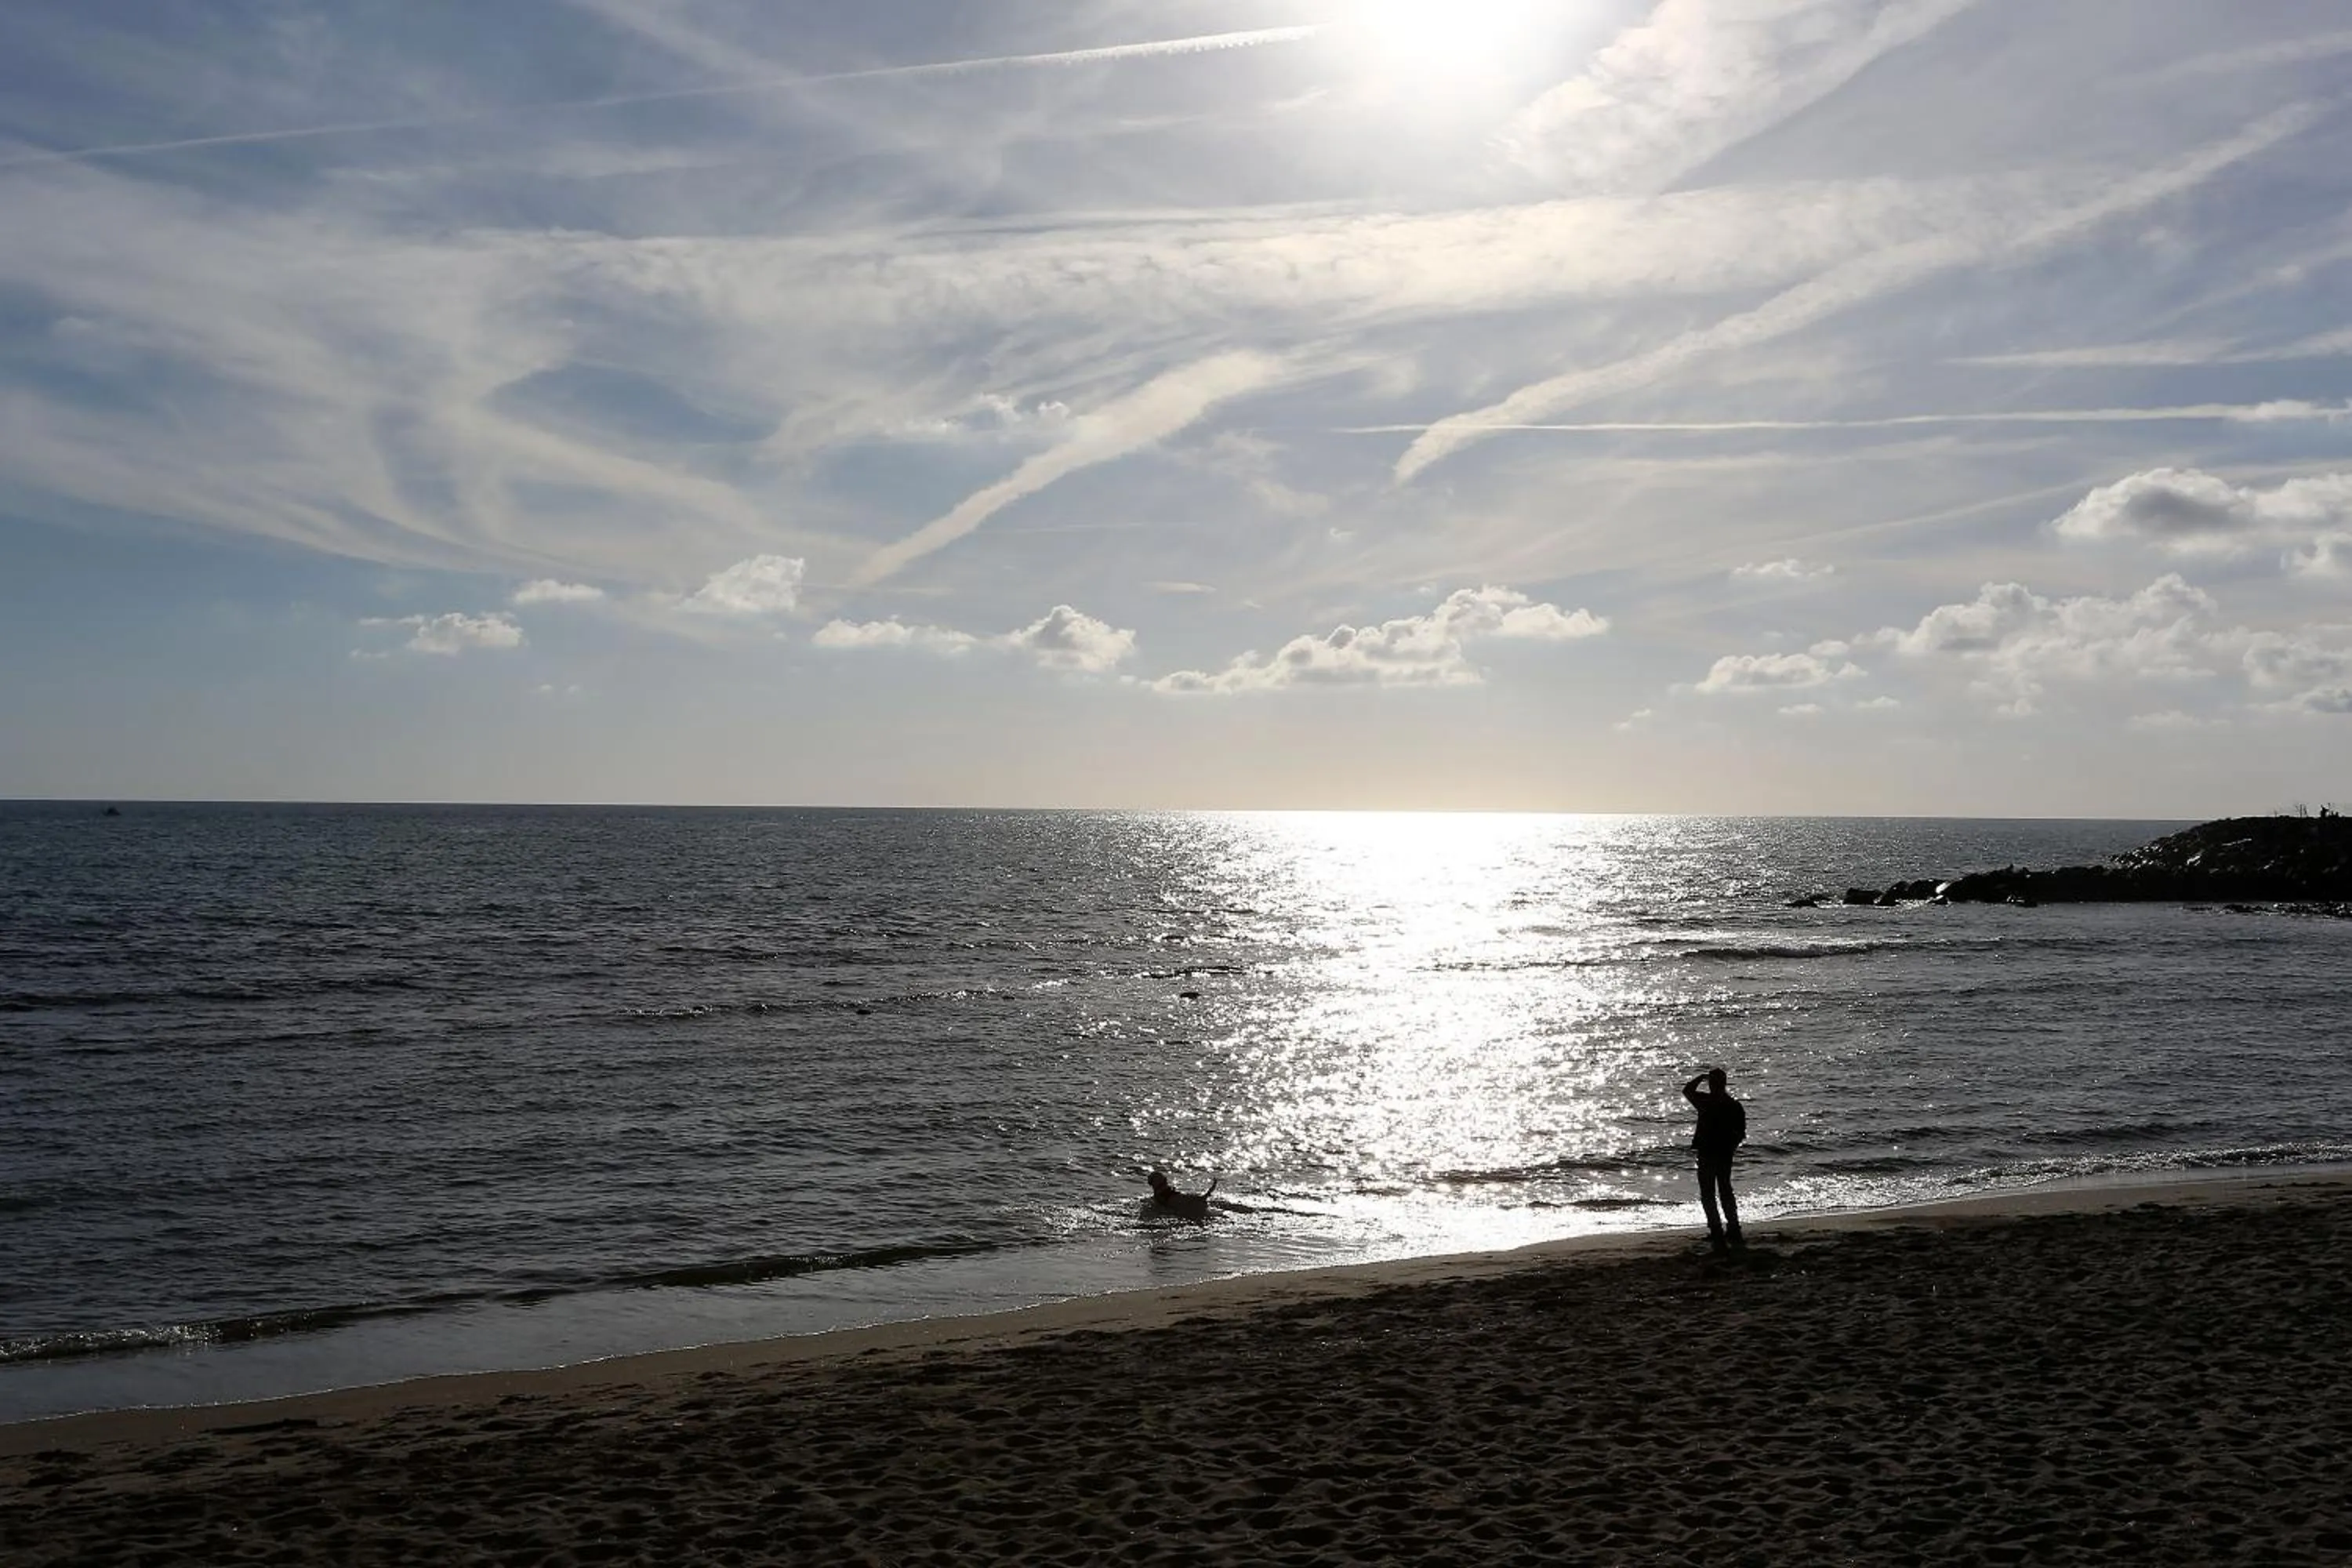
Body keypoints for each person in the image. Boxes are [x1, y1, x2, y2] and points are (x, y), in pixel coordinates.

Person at [1682, 1067, 1746, 1251]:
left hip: (1708, 1153)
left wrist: (1700, 1077)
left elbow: (1687, 1091)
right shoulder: (1733, 1105)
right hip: (1724, 1154)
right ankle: (1733, 1227)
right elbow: (1740, 1133)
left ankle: (1717, 1229)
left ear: (1711, 1084)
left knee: (1709, 1193)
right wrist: (1731, 1147)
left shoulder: (1706, 1102)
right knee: (1725, 1189)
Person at [1145, 1168, 1217, 1223]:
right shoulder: (1166, 1191)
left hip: (1193, 1205)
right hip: (1195, 1201)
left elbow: (1159, 1205)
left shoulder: (1160, 1194)